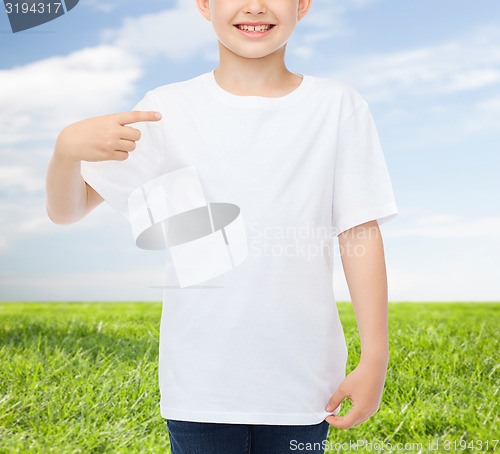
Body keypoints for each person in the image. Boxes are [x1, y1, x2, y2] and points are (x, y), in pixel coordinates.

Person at [45, 0, 399, 452]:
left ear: (303, 4)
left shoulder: (337, 106)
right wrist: (65, 151)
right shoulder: (166, 109)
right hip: (200, 386)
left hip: (304, 382)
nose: (254, 6)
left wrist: (376, 358)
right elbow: (67, 210)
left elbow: (359, 233)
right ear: (204, 4)